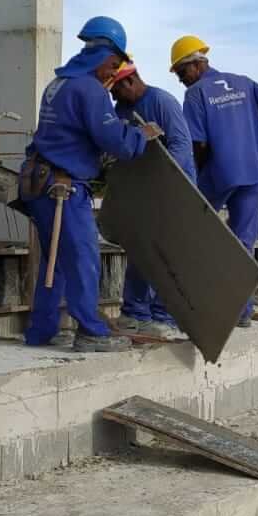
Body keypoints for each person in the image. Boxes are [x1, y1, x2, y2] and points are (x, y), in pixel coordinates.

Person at [19, 16, 160, 352]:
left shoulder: (58, 84)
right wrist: (141, 133)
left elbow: (71, 133)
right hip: (62, 188)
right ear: (109, 58)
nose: (112, 76)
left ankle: (41, 331)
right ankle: (91, 332)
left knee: (56, 260)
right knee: (82, 257)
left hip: (39, 181)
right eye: (114, 67)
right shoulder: (89, 89)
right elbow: (119, 143)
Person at [171, 34, 258, 327]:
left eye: (181, 73)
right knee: (242, 243)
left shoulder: (195, 94)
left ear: (195, 64)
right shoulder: (243, 82)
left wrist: (195, 178)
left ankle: (187, 303)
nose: (181, 80)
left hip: (218, 173)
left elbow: (199, 145)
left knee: (193, 231)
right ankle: (240, 312)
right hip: (253, 173)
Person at [106, 60, 194, 338]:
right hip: (143, 193)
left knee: (166, 255)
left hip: (173, 190)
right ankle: (134, 313)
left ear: (128, 82)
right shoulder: (122, 110)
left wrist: (159, 181)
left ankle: (163, 317)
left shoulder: (162, 102)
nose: (113, 97)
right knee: (140, 251)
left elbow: (181, 147)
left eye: (115, 91)